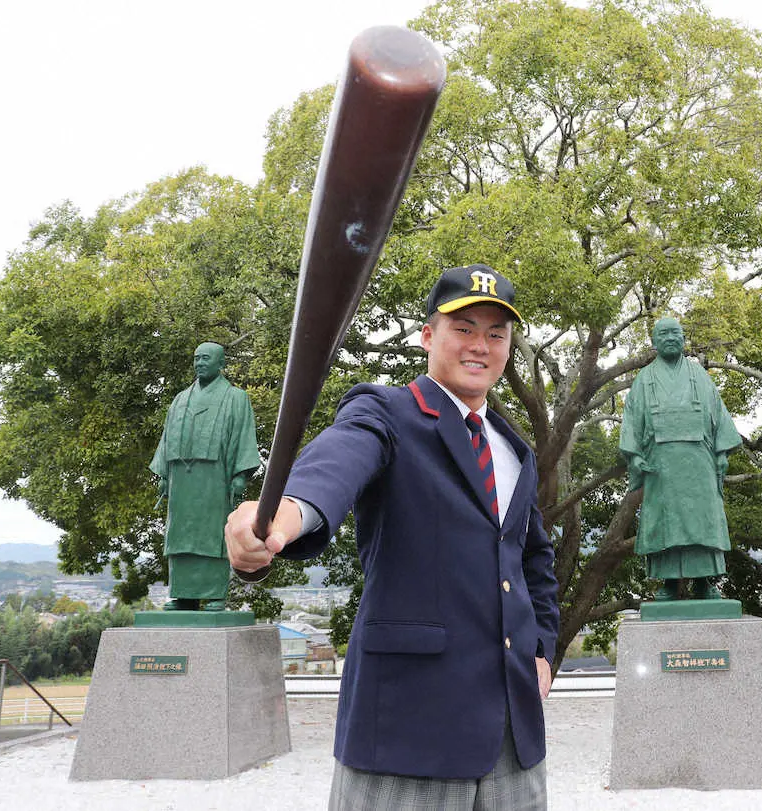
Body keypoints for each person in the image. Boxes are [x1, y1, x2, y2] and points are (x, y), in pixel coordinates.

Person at [226, 265, 559, 810]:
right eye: (465, 328)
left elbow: (533, 561)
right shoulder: (386, 412)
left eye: (496, 334)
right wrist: (281, 516)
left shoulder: (513, 446)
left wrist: (543, 651)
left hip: (513, 741)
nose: (481, 345)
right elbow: (335, 464)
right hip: (408, 726)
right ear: (428, 336)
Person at [618, 317, 742, 600]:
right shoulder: (645, 379)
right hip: (661, 464)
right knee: (664, 522)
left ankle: (704, 581)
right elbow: (632, 421)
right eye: (664, 334)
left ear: (684, 338)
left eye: (676, 333)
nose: (671, 338)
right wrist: (635, 457)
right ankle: (669, 584)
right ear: (654, 342)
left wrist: (721, 453)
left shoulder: (699, 375)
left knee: (703, 519)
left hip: (699, 460)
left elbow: (718, 415)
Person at [151, 341, 260, 611]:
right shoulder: (180, 399)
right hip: (182, 480)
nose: (200, 363)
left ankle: (214, 593)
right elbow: (167, 438)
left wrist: (240, 475)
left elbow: (244, 436)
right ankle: (183, 594)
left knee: (212, 533)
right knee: (179, 535)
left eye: (206, 358)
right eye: (197, 358)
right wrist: (164, 473)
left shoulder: (235, 398)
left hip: (215, 478)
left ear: (221, 363)